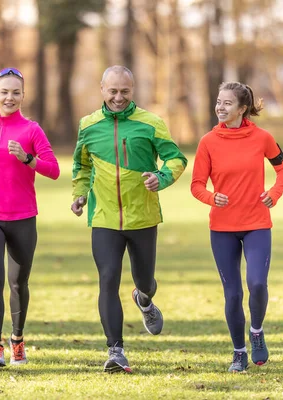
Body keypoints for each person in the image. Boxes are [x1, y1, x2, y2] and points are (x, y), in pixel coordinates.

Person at [71, 65, 188, 373]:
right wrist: (80, 194)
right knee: (108, 278)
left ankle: (145, 299)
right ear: (101, 89)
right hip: (104, 217)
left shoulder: (151, 123)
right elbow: (82, 166)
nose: (118, 98)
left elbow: (176, 158)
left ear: (132, 90)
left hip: (143, 216)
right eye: (113, 91)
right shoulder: (88, 125)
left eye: (125, 91)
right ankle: (115, 350)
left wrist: (160, 178)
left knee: (144, 280)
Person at [190, 82, 283, 372]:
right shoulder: (208, 142)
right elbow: (197, 185)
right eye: (218, 101)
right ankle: (238, 352)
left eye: (227, 103)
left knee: (257, 284)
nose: (220, 107)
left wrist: (274, 193)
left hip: (257, 223)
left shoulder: (262, 138)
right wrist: (212, 197)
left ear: (242, 108)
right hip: (222, 228)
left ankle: (256, 331)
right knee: (233, 293)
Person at [0, 67, 60, 368]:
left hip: (22, 217)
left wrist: (28, 159)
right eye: (4, 92)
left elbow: (54, 170)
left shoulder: (32, 130)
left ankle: (17, 340)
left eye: (15, 92)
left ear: (22, 96)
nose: (9, 97)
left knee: (19, 284)